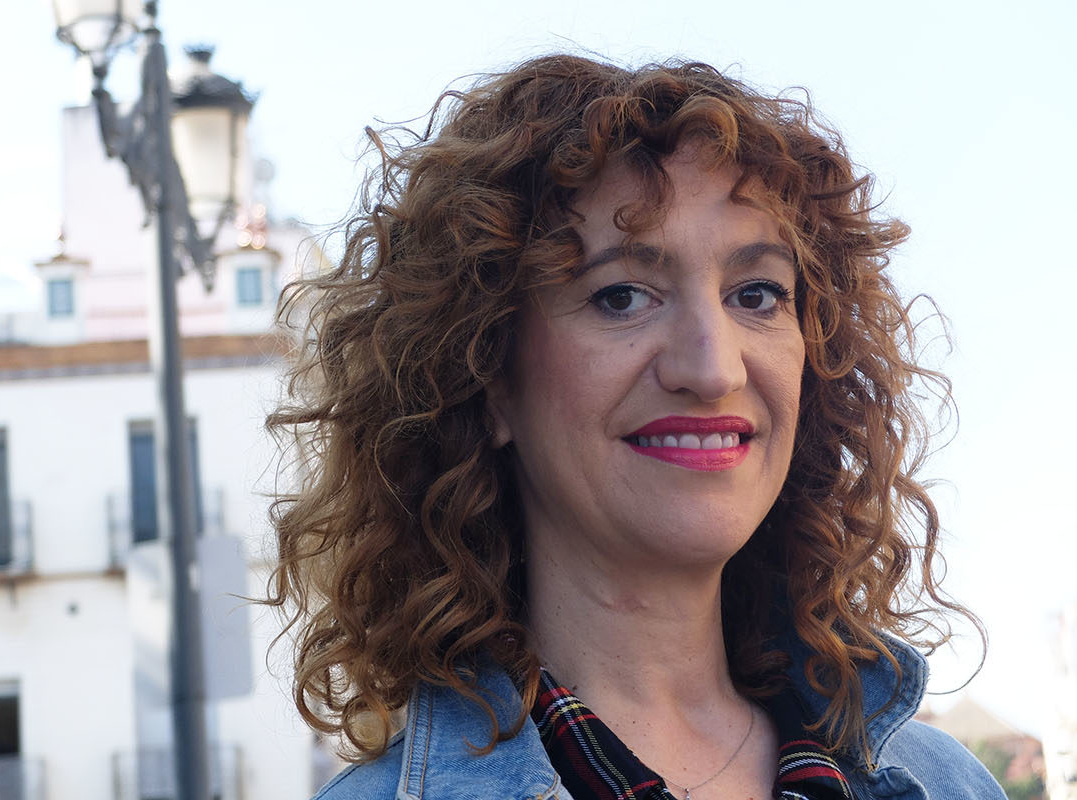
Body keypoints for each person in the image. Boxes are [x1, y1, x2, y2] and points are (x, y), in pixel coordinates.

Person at [266, 55, 1004, 800]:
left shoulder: (948, 785)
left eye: (756, 293)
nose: (714, 369)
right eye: (621, 296)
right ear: (484, 378)